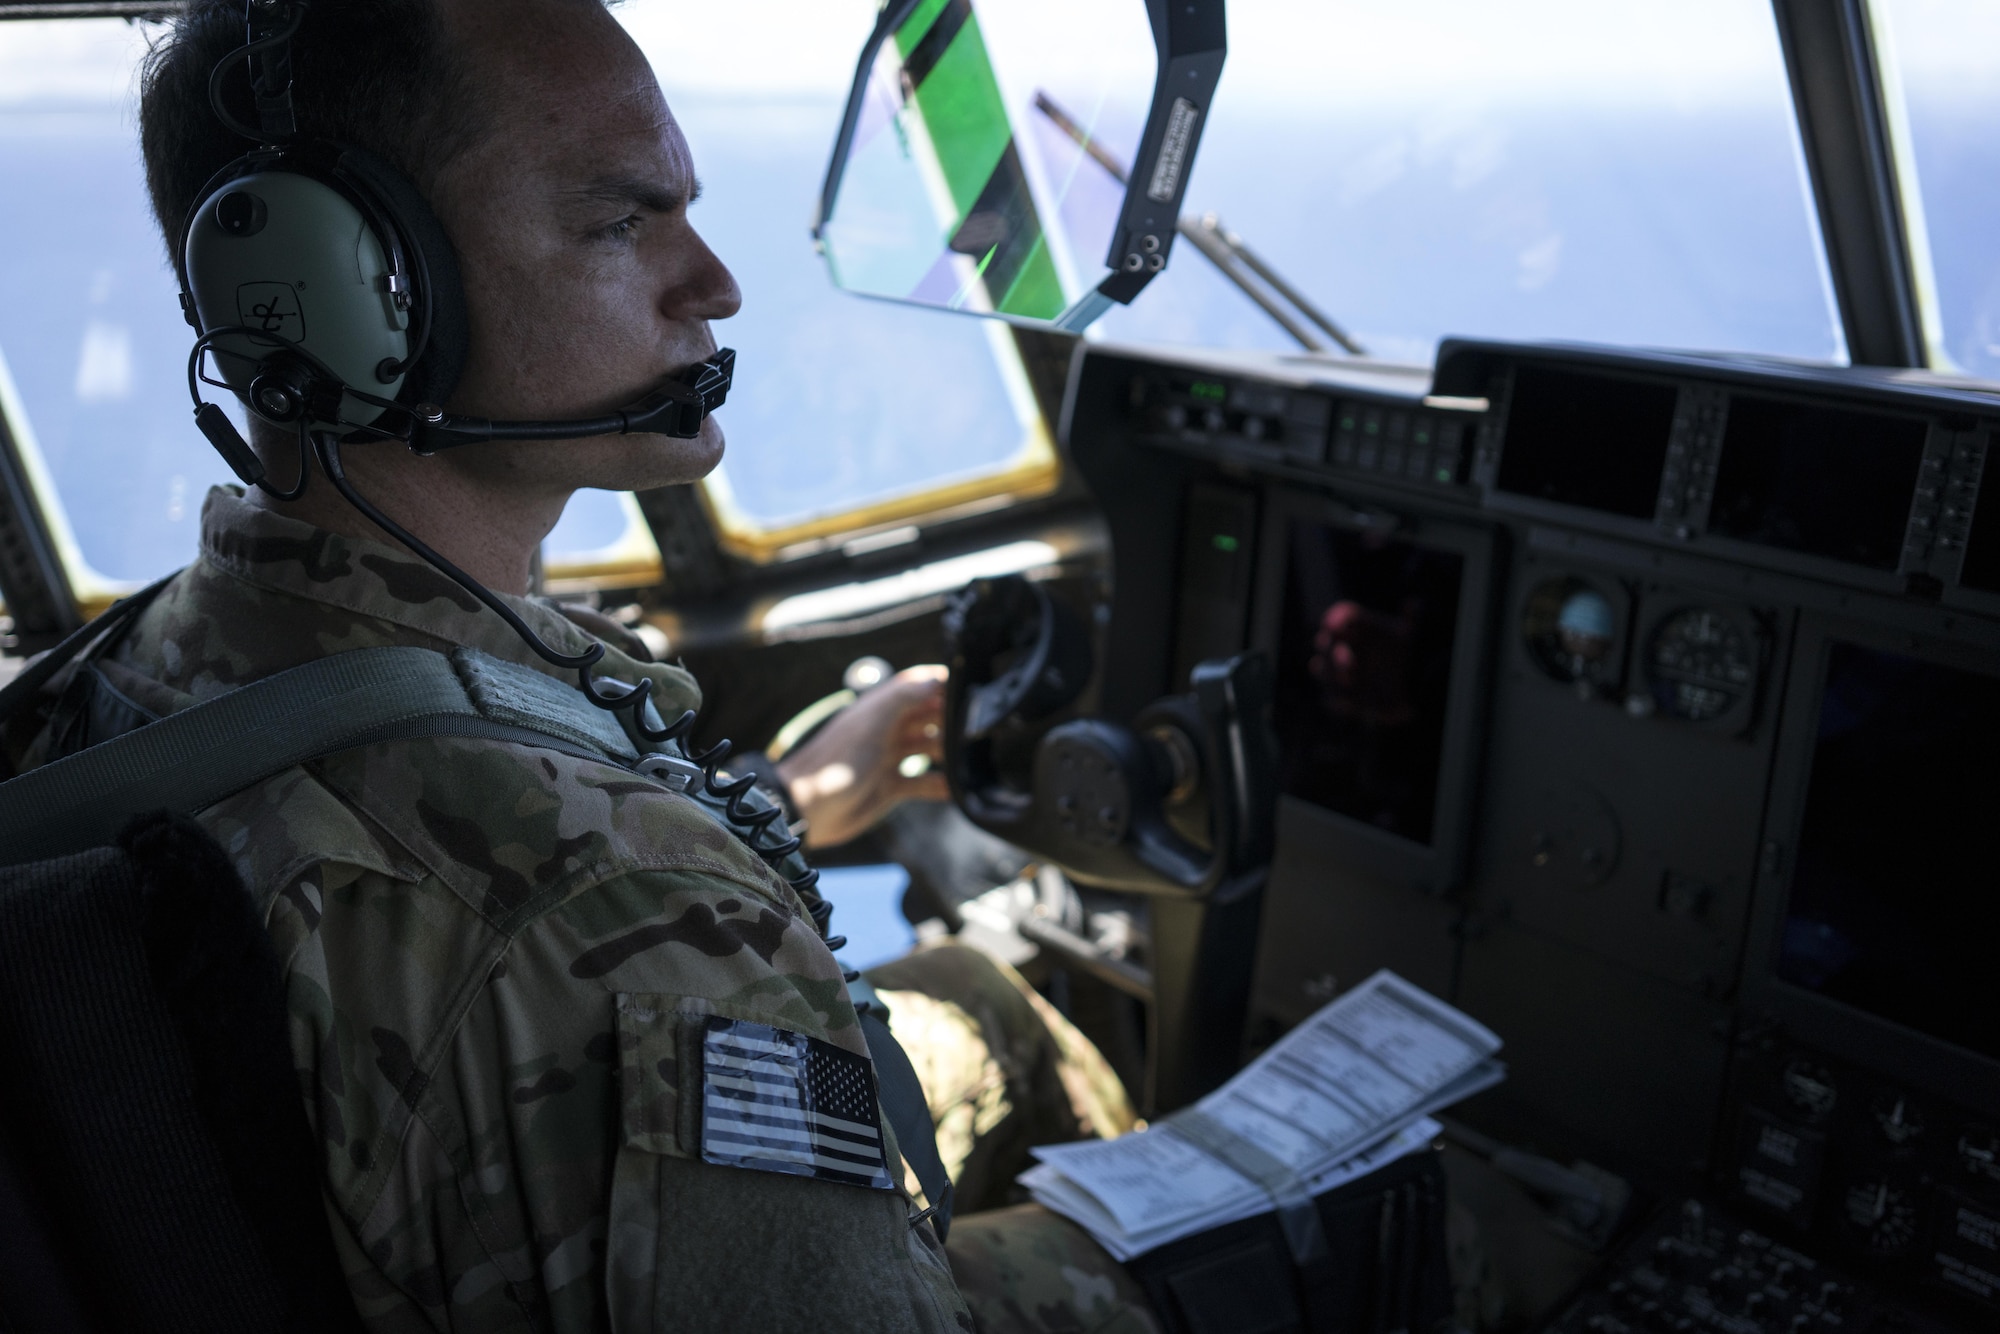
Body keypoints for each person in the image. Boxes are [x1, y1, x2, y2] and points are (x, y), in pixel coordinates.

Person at [3, 0, 1162, 1328]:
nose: (713, 281)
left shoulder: (133, 667)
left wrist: (776, 806)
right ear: (344, 289)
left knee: (972, 993)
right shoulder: (627, 904)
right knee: (1336, 1212)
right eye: (624, 223)